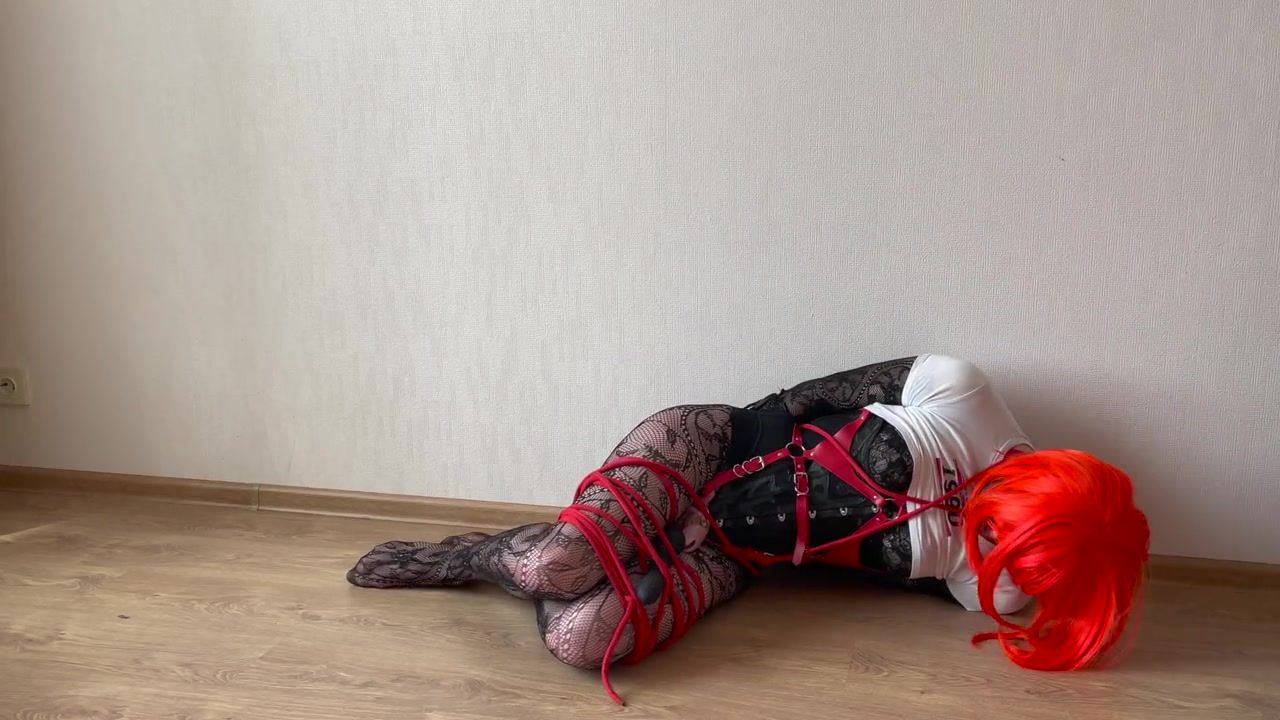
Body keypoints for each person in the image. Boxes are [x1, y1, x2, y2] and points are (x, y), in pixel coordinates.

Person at [347, 355, 1151, 704]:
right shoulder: (963, 393)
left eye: (1006, 560)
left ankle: (591, 552)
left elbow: (859, 574)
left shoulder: (1003, 591)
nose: (985, 551)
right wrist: (696, 499)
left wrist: (708, 547)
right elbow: (794, 401)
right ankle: (467, 556)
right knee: (551, 566)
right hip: (716, 450)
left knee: (582, 639)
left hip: (743, 557)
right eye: (997, 531)